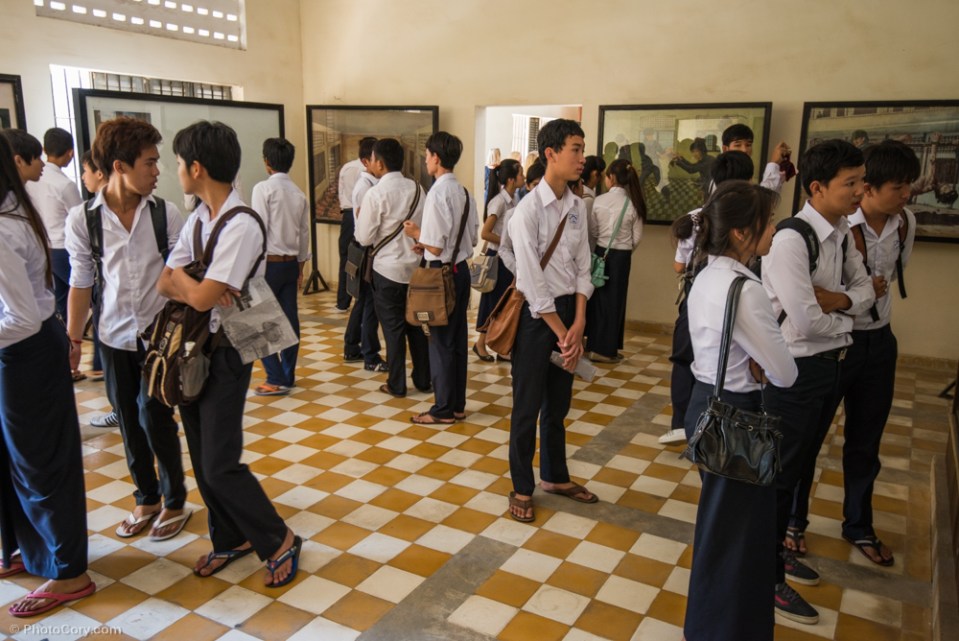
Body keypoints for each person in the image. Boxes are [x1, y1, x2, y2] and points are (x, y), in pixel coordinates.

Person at [157, 121, 300, 587]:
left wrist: (191, 283)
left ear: (196, 168)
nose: (175, 170)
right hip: (194, 348)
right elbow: (168, 281)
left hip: (229, 350)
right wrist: (194, 283)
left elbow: (199, 296)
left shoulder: (240, 224)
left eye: (178, 163)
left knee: (221, 461)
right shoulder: (200, 218)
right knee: (201, 456)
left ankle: (278, 538)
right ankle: (230, 536)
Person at [762, 139, 875, 624]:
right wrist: (848, 313)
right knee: (780, 474)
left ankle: (775, 556)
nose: (859, 191)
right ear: (816, 187)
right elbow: (806, 323)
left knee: (802, 465)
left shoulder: (842, 234)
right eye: (850, 183)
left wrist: (842, 301)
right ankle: (764, 576)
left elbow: (867, 288)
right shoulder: (793, 239)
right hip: (796, 371)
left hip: (830, 364)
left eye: (861, 181)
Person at [65, 116, 191, 542]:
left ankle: (175, 500)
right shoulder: (83, 219)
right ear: (120, 166)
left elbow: (180, 272)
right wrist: (72, 337)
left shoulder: (165, 214)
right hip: (114, 335)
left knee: (155, 416)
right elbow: (81, 280)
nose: (157, 172)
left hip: (160, 337)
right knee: (128, 421)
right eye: (149, 163)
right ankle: (147, 497)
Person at [683, 180, 797, 641]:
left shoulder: (706, 275)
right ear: (739, 233)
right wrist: (761, 362)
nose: (773, 229)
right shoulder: (744, 290)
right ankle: (720, 629)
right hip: (737, 416)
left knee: (725, 529)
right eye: (767, 221)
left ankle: (716, 626)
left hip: (705, 405)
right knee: (735, 538)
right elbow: (786, 372)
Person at [0, 132, 95, 617]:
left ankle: (69, 572)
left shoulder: (4, 224)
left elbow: (19, 317)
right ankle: (30, 551)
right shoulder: (16, 209)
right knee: (16, 459)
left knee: (40, 462)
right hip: (24, 351)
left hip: (26, 353)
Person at [820, 140, 919, 566]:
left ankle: (858, 523)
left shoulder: (906, 224)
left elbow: (898, 271)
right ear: (870, 189)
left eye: (908, 186)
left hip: (880, 340)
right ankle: (791, 523)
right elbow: (819, 294)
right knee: (810, 436)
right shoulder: (840, 226)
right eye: (897, 187)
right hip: (837, 342)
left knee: (866, 438)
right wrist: (854, 297)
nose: (906, 195)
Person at [500, 119, 597, 522]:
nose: (582, 157)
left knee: (558, 405)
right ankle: (522, 485)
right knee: (526, 407)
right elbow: (532, 281)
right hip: (537, 321)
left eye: (582, 148)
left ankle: (555, 476)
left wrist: (578, 323)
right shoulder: (526, 212)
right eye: (575, 149)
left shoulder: (577, 207)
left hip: (567, 319)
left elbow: (583, 268)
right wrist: (562, 332)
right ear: (551, 154)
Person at [663, 151, 755, 445]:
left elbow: (679, 265)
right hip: (738, 299)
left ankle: (683, 423)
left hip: (696, 301)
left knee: (686, 360)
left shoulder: (696, 216)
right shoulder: (752, 220)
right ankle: (719, 426)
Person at [403, 132, 478, 424]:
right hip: (460, 272)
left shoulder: (437, 192)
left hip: (439, 276)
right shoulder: (464, 192)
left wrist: (416, 234)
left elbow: (435, 245)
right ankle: (457, 404)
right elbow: (468, 238)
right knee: (457, 341)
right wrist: (430, 241)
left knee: (440, 342)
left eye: (426, 155)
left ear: (436, 157)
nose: (425, 159)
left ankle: (443, 409)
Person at [354, 138, 430, 397]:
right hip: (415, 267)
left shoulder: (375, 194)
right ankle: (422, 378)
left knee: (393, 329)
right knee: (417, 326)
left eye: (373, 159)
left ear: (380, 163)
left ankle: (397, 384)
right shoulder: (419, 190)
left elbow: (363, 238)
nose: (371, 163)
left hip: (386, 271)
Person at [251, 137, 311, 396]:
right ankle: (288, 375)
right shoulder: (299, 193)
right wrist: (300, 266)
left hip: (268, 264)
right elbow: (304, 233)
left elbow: (258, 231)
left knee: (258, 319)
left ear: (267, 162)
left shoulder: (263, 189)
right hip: (289, 265)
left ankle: (274, 377)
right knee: (289, 321)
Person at [22, 128, 83, 331]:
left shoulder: (29, 182)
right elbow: (80, 219)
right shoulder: (64, 184)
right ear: (70, 153)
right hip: (64, 249)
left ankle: (64, 340)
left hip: (43, 248)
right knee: (84, 295)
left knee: (59, 301)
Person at [585, 158, 645, 363]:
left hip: (601, 253)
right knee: (616, 302)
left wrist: (602, 247)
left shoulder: (599, 200)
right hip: (621, 257)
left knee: (597, 301)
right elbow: (636, 238)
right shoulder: (633, 203)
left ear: (611, 178)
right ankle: (608, 349)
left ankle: (593, 345)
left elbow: (593, 231)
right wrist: (624, 251)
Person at [473, 158, 523, 362]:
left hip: (506, 258)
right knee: (492, 302)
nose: (523, 178)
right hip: (497, 258)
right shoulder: (499, 202)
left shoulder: (514, 199)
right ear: (511, 179)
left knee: (504, 302)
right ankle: (480, 343)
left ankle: (501, 346)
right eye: (520, 174)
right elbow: (485, 233)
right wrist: (507, 242)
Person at [343, 136, 386, 372]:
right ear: (365, 162)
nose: (379, 163)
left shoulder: (373, 185)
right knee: (370, 303)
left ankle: (351, 346)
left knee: (364, 300)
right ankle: (371, 355)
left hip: (368, 248)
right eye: (374, 158)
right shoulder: (365, 188)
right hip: (366, 248)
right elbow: (364, 227)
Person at [335, 142, 366, 311]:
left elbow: (340, 193)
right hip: (359, 215)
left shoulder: (347, 167)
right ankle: (359, 300)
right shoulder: (365, 172)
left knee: (346, 258)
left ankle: (342, 301)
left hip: (347, 214)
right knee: (361, 258)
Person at [721, 123, 792, 193]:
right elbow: (760, 198)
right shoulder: (723, 172)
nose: (744, 150)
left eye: (748, 145)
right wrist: (773, 163)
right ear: (725, 149)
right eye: (738, 145)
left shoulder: (744, 170)